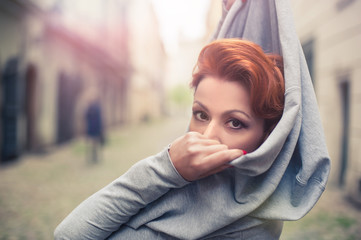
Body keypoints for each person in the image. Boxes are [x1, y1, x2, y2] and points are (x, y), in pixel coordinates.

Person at [55, 0, 331, 239]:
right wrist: (168, 168)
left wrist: (164, 170)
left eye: (235, 122)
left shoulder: (247, 227)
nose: (206, 136)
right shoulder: (181, 176)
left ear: (269, 134)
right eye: (201, 114)